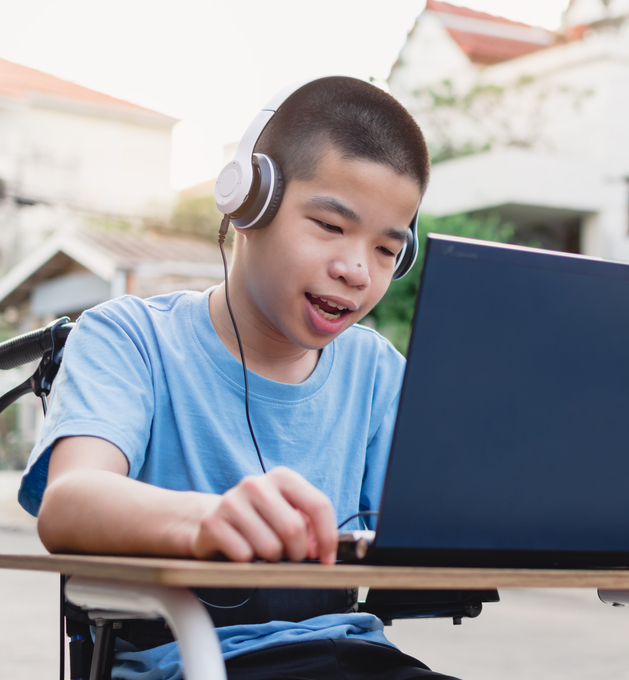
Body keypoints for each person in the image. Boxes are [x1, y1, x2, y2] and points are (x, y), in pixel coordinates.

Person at [17, 77, 458, 680]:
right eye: (331, 226)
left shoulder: (378, 372)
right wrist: (207, 520)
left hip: (353, 656)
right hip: (185, 660)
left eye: (386, 250)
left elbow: (436, 535)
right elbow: (68, 503)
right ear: (249, 202)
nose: (357, 270)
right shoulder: (129, 337)